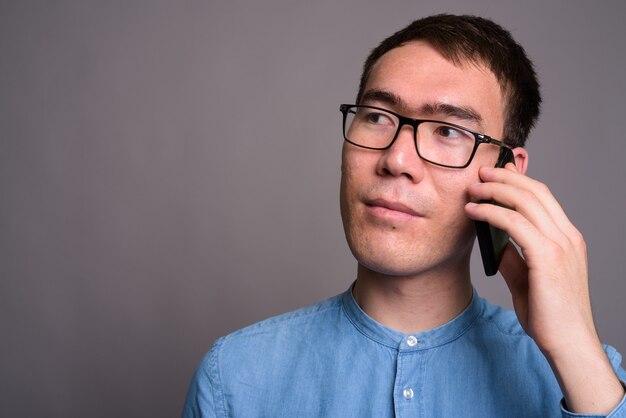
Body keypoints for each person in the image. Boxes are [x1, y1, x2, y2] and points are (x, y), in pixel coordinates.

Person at [182, 14, 626, 417]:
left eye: (449, 131)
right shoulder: (234, 377)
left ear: (508, 173)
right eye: (377, 117)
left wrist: (576, 353)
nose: (397, 159)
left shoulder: (590, 377)